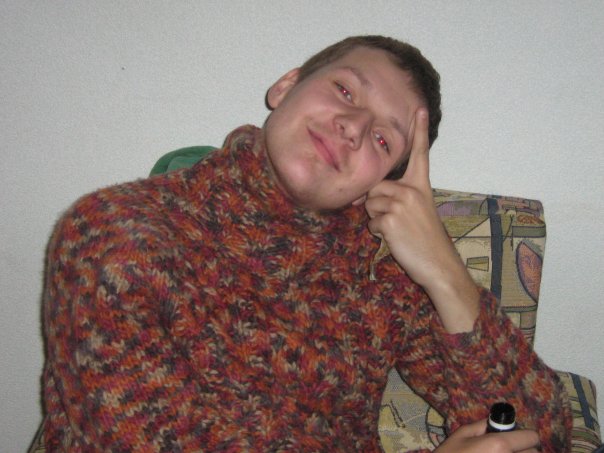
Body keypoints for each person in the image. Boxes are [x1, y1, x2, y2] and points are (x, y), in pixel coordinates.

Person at [42, 35, 571, 452]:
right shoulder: (118, 231)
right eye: (345, 91)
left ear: (377, 184)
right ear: (285, 86)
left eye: (383, 139)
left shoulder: (379, 275)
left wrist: (446, 274)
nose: (353, 127)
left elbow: (539, 434)